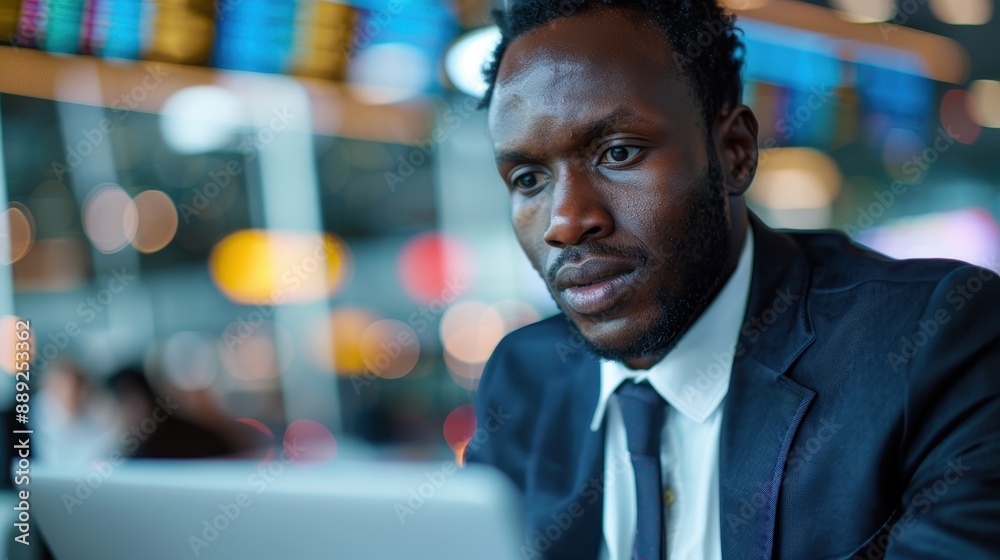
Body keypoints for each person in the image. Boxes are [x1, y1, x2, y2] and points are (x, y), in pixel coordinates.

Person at [465, 1, 1000, 559]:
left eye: (618, 153)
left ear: (735, 152)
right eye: (528, 178)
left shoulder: (928, 340)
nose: (566, 222)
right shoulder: (522, 379)